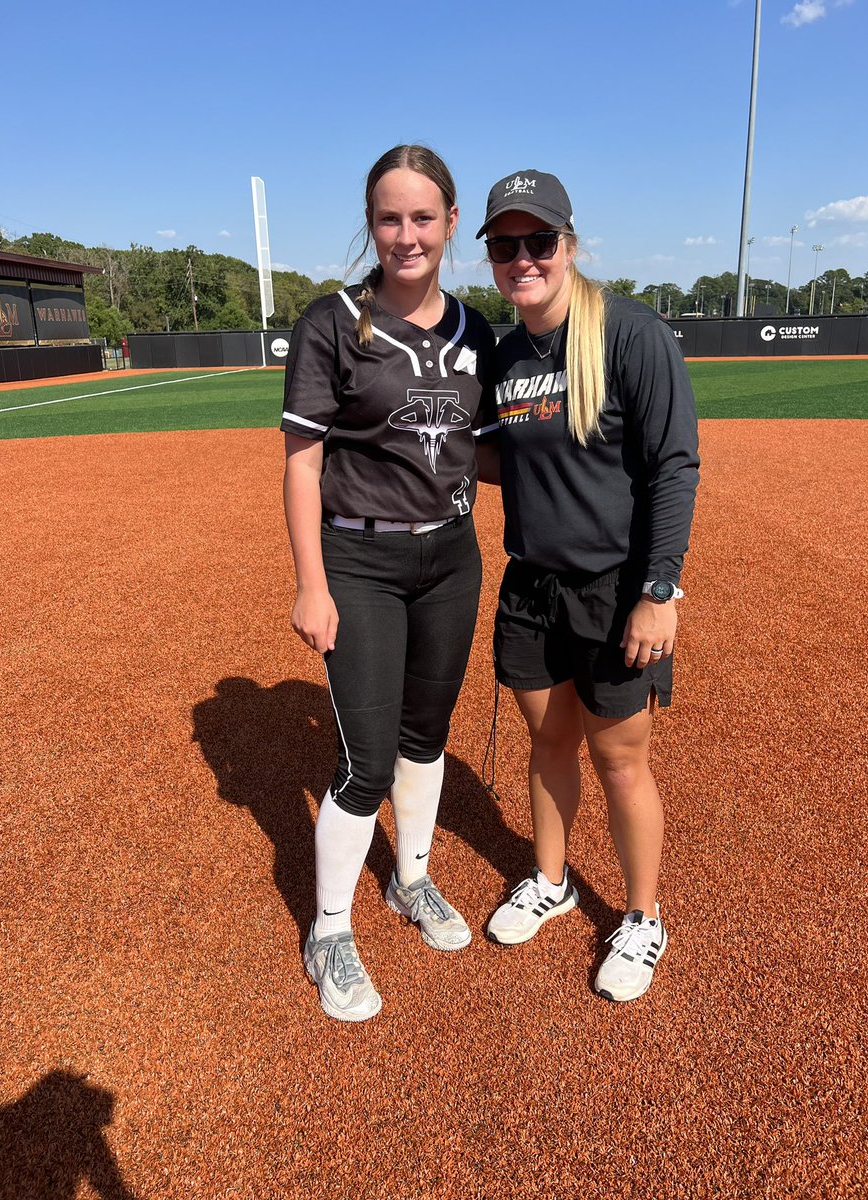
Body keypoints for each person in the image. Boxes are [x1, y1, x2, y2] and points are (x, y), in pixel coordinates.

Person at [281, 145, 498, 1022]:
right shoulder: (333, 322)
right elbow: (302, 463)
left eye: (422, 217)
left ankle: (411, 878)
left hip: (451, 555)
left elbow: (480, 450)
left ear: (451, 224)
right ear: (370, 225)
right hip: (360, 561)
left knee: (426, 734)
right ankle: (330, 929)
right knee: (366, 761)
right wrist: (311, 583)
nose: (406, 235)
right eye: (388, 217)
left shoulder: (476, 330)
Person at [477, 170, 699, 1002]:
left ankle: (642, 919)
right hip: (532, 587)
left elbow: (674, 466)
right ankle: (552, 878)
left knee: (620, 758)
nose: (524, 258)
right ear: (493, 257)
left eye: (539, 242)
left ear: (569, 244)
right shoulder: (506, 353)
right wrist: (427, 446)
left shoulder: (629, 335)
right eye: (507, 245)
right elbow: (511, 459)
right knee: (548, 741)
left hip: (615, 591)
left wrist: (659, 590)